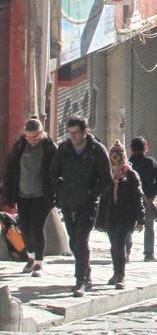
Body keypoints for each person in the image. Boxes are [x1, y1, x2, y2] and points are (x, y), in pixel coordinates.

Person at [50, 116, 111, 297]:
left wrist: (92, 194)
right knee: (73, 240)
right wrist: (60, 190)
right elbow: (53, 173)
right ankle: (86, 272)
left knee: (81, 239)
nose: (73, 136)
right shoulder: (63, 149)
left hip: (88, 203)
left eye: (76, 133)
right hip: (68, 201)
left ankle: (80, 280)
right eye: (70, 133)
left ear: (85, 131)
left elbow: (106, 179)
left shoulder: (96, 150)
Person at [3, 117, 57, 277]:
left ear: (41, 133)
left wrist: (56, 192)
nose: (32, 140)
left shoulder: (50, 148)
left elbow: (57, 171)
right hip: (23, 194)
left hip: (42, 195)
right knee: (25, 229)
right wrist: (9, 194)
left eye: (35, 137)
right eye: (29, 137)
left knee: (37, 227)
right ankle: (31, 258)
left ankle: (39, 263)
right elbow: (11, 169)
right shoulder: (19, 146)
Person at [97, 140, 145, 289]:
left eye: (118, 161)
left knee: (119, 245)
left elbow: (138, 198)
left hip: (126, 216)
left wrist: (141, 219)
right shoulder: (106, 175)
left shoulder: (131, 175)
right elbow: (102, 197)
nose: (116, 166)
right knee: (114, 246)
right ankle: (116, 272)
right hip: (110, 216)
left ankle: (120, 275)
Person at [128, 136, 157, 262]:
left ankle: (126, 253)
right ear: (145, 147)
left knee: (129, 226)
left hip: (131, 198)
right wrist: (151, 192)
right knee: (149, 226)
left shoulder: (128, 163)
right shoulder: (150, 162)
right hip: (148, 198)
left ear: (130, 148)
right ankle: (149, 254)